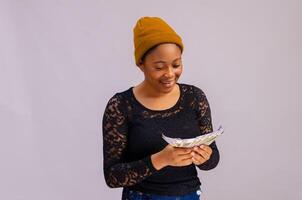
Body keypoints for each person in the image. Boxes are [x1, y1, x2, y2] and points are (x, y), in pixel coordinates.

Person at [102, 16, 220, 200]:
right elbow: (112, 176)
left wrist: (205, 156)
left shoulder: (194, 98)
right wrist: (162, 159)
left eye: (176, 64)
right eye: (159, 67)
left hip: (189, 195)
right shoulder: (120, 106)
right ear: (141, 63)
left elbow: (213, 160)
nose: (170, 74)